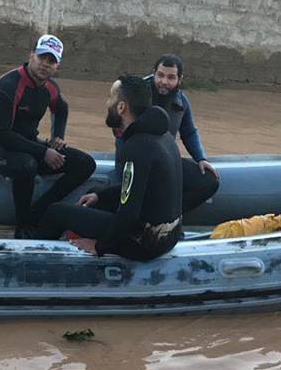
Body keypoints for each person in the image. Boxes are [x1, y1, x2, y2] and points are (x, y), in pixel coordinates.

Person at [37, 74, 183, 260]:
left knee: (56, 212)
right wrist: (101, 195)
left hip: (145, 244)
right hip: (168, 236)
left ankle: (32, 259)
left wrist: (101, 246)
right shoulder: (164, 136)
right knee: (96, 195)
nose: (107, 103)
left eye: (110, 97)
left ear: (121, 107)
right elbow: (144, 190)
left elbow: (129, 213)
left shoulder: (136, 147)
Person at [0, 35, 96, 237]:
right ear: (31, 56)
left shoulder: (50, 87)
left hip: (30, 145)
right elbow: (1, 135)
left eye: (51, 61)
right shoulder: (8, 86)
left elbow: (61, 108)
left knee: (85, 163)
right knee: (28, 165)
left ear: (57, 66)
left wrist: (57, 136)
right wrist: (43, 151)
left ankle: (40, 212)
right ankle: (23, 225)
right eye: (42, 57)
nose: (45, 64)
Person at [115, 54, 219, 215]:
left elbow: (189, 132)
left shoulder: (182, 102)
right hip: (137, 160)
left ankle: (170, 214)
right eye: (160, 75)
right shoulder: (137, 95)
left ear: (179, 80)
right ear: (154, 73)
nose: (164, 81)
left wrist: (201, 158)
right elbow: (118, 127)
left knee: (209, 182)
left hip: (165, 161)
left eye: (171, 77)